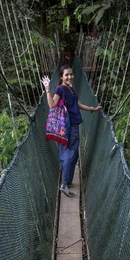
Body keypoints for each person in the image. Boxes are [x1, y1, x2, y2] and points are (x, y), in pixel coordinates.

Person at [42, 65, 102, 198]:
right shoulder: (60, 89)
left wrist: (92, 108)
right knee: (71, 154)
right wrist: (47, 89)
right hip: (69, 127)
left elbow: (78, 104)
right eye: (66, 75)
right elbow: (52, 105)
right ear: (61, 77)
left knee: (67, 153)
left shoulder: (71, 90)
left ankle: (67, 181)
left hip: (70, 126)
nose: (69, 77)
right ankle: (64, 184)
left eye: (71, 74)